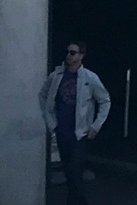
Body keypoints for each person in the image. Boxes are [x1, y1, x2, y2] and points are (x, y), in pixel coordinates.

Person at [40, 40, 111, 205]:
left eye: (73, 53)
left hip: (81, 133)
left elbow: (105, 101)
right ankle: (81, 201)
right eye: (68, 52)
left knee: (74, 170)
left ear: (81, 56)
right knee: (69, 172)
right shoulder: (56, 76)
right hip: (62, 131)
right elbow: (43, 96)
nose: (68, 56)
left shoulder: (90, 78)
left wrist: (96, 126)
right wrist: (52, 123)